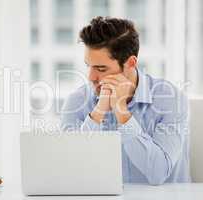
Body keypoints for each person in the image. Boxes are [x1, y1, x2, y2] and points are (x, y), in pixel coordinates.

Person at [60, 16, 190, 185]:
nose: (91, 77)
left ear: (130, 63)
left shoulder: (170, 100)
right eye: (88, 66)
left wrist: (122, 112)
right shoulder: (76, 102)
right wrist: (98, 112)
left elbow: (158, 173)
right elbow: (71, 172)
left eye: (101, 68)